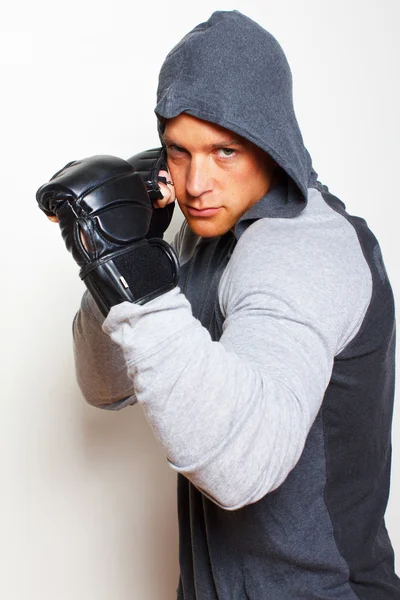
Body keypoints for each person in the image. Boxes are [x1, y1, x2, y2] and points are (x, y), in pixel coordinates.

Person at [37, 10, 399, 600]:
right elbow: (105, 386)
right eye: (179, 152)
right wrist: (132, 251)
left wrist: (135, 276)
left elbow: (240, 466)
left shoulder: (305, 251)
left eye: (224, 151)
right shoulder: (209, 230)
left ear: (272, 141)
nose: (196, 182)